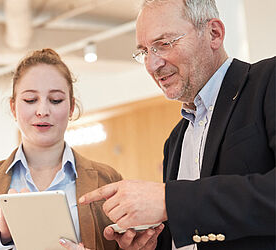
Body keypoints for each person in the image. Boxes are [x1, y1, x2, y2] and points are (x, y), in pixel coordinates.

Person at [77, 0, 275, 249]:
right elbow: (191, 232)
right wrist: (151, 242)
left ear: (214, 33)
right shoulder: (175, 140)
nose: (152, 65)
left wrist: (167, 200)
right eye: (144, 51)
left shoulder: (268, 81)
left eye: (163, 44)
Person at [0, 48, 132, 250]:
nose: (42, 111)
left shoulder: (108, 179)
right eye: (30, 100)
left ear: (70, 107)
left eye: (56, 100)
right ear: (13, 107)